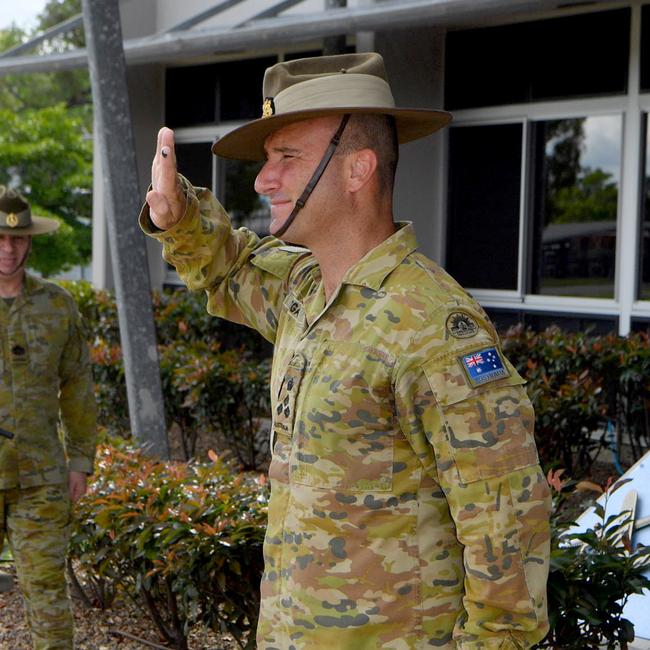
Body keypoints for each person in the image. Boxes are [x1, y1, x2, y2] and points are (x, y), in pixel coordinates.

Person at [141, 52, 551, 649]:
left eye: (287, 158)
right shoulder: (305, 288)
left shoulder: (430, 323)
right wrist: (179, 216)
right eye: (266, 161)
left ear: (357, 169)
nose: (262, 180)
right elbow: (229, 268)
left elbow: (506, 523)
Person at [0, 185, 97, 649]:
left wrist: (80, 459)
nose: (8, 248)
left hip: (39, 476)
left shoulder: (57, 306)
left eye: (17, 239)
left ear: (31, 240)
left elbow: (77, 384)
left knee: (46, 594)